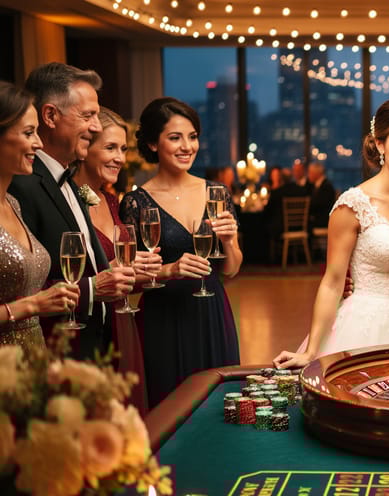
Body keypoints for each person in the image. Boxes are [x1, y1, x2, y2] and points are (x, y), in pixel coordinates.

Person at [272, 97, 389, 369]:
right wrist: (311, 350)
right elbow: (332, 282)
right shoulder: (353, 204)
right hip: (366, 326)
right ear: (379, 144)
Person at [120, 97, 242, 408]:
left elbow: (231, 269)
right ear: (152, 143)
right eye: (175, 138)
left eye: (192, 137)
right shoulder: (136, 203)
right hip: (163, 316)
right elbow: (131, 278)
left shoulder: (216, 193)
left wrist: (228, 241)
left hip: (212, 311)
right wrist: (170, 270)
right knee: (168, 406)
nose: (187, 146)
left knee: (219, 404)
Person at [9, 62, 134, 361]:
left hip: (95, 344)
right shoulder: (21, 186)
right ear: (50, 116)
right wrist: (93, 289)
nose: (96, 126)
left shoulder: (69, 179)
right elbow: (22, 284)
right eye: (88, 115)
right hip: (54, 353)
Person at [73, 106, 162, 414]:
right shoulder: (69, 204)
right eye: (110, 147)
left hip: (123, 320)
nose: (120, 158)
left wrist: (148, 271)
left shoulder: (111, 200)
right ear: (84, 148)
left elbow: (121, 272)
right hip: (91, 328)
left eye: (123, 149)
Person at [0, 81, 80, 348]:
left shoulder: (13, 203)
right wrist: (32, 304)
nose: (39, 143)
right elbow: (29, 302)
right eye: (29, 132)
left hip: (34, 358)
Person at [307, 161, 336, 230]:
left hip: (324, 220)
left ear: (316, 173)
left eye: (310, 173)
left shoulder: (326, 186)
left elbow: (320, 204)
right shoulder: (315, 185)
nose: (308, 175)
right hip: (318, 218)